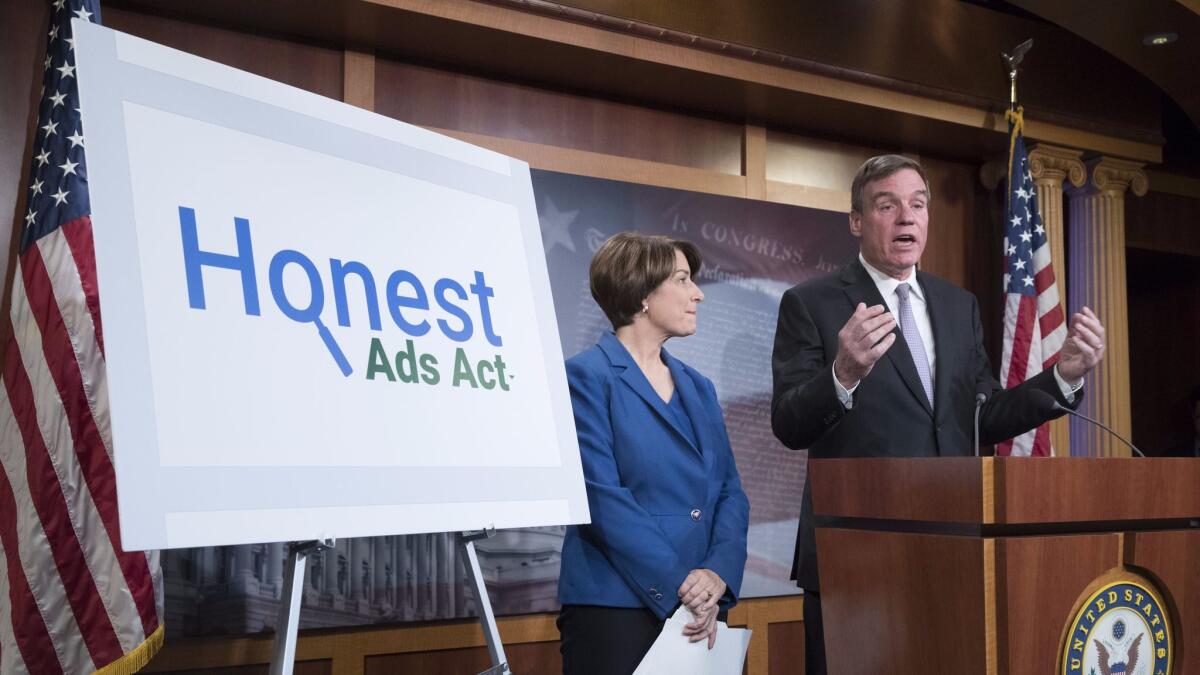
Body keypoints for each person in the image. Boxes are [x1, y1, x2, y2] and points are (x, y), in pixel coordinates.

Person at [769, 154, 1107, 675]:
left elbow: (985, 415)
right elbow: (789, 423)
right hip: (857, 559)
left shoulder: (956, 305)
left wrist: (1064, 375)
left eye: (918, 204)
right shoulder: (810, 303)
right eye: (887, 205)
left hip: (952, 547)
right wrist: (843, 373)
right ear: (857, 220)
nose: (907, 217)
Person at [557, 232, 750, 675]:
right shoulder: (584, 377)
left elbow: (730, 494)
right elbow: (601, 498)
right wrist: (682, 583)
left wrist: (717, 575)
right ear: (643, 294)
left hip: (702, 607)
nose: (698, 293)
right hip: (616, 607)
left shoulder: (699, 387)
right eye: (683, 280)